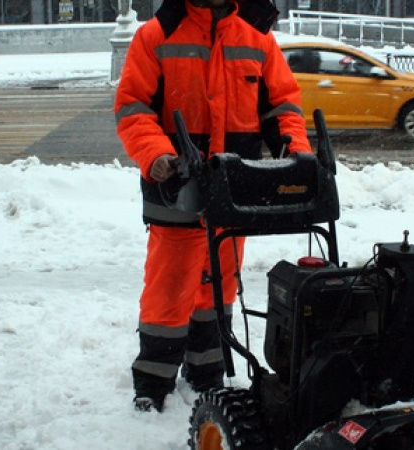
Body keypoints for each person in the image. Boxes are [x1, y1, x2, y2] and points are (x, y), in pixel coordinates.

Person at [113, 0, 311, 413]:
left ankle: (207, 370)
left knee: (217, 287)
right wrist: (156, 155)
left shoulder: (257, 37)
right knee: (168, 289)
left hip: (234, 192)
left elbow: (283, 108)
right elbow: (133, 109)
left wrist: (296, 156)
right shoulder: (157, 35)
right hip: (175, 188)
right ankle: (153, 379)